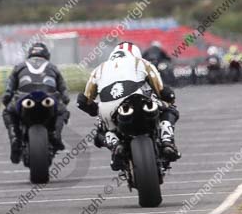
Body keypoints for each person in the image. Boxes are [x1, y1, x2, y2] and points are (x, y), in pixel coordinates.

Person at [76, 42, 180, 171]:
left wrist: (93, 110)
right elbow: (161, 90)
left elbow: (84, 100)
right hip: (139, 101)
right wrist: (168, 98)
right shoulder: (142, 62)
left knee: (100, 132)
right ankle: (166, 141)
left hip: (108, 110)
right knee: (170, 109)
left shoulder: (98, 69)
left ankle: (116, 146)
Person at [1, 42, 70, 164]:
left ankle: (14, 138)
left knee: (8, 112)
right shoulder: (52, 66)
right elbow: (63, 89)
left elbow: (9, 87)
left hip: (24, 98)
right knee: (63, 111)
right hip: (48, 97)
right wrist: (65, 99)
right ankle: (56, 135)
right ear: (46, 55)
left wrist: (6, 99)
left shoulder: (20, 66)